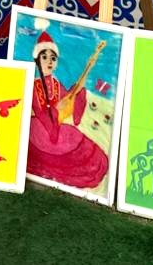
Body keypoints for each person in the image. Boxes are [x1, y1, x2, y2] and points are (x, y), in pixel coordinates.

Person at [27, 29, 109, 189]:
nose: (49, 61)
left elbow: (72, 94)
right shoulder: (33, 84)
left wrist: (89, 66)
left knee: (86, 151)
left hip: (56, 126)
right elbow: (40, 110)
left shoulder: (56, 84)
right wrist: (55, 112)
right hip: (42, 128)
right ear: (37, 60)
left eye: (53, 58)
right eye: (44, 57)